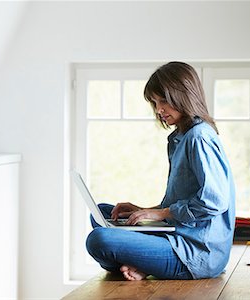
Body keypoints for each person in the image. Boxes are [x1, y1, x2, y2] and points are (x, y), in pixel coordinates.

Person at [86, 61, 235, 281]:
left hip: (197, 251)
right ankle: (143, 264)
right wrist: (145, 210)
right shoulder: (180, 138)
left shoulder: (199, 137)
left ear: (183, 95)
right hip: (177, 234)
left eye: (163, 101)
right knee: (102, 214)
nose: (159, 110)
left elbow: (214, 201)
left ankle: (143, 264)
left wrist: (161, 214)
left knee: (98, 239)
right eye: (155, 103)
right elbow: (182, 200)